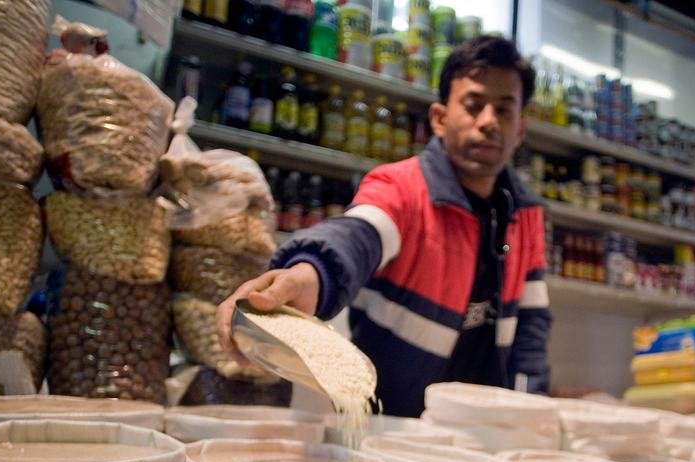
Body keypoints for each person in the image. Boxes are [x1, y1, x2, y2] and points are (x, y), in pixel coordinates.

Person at [217, 36, 551, 418]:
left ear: (520, 129)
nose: (489, 121)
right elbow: (358, 236)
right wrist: (309, 275)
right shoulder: (402, 187)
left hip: (480, 429)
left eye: (504, 110)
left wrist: (532, 411)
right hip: (388, 424)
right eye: (474, 106)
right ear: (440, 118)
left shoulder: (526, 214)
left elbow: (531, 327)